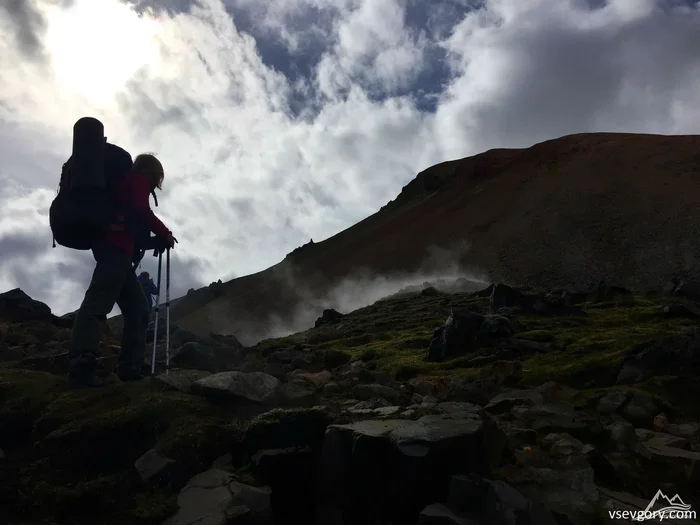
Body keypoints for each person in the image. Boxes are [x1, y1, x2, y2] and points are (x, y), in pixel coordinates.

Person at [68, 153, 177, 388]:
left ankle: (130, 369)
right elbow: (141, 212)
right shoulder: (136, 180)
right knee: (98, 302)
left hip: (118, 252)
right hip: (115, 250)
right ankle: (81, 364)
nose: (156, 182)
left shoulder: (125, 185)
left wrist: (153, 241)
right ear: (151, 171)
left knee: (138, 309)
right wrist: (164, 232)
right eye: (158, 175)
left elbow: (131, 229)